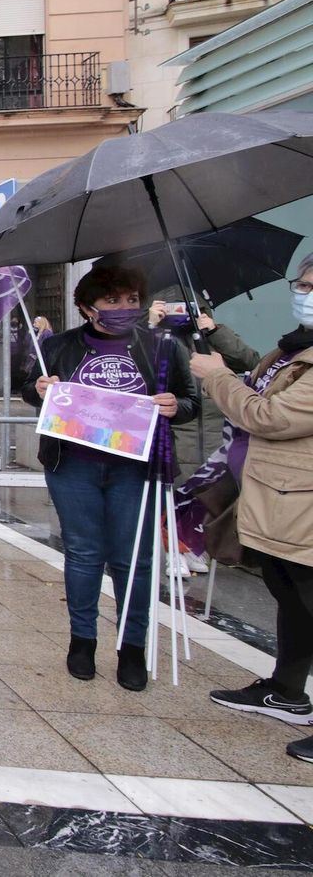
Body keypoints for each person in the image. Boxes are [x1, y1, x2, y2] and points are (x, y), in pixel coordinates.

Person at [21, 263, 198, 692]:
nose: (124, 308)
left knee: (134, 559)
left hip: (137, 469)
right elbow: (32, 391)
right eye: (112, 300)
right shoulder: (59, 346)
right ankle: (82, 642)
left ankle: (131, 647)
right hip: (74, 465)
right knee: (82, 553)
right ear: (87, 307)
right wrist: (38, 390)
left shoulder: (162, 347)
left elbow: (191, 400)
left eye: (131, 300)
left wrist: (177, 405)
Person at [192, 258, 313, 763]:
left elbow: (269, 415)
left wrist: (218, 381)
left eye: (312, 286)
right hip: (275, 497)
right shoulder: (294, 348)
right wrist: (215, 343)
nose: (303, 292)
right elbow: (255, 379)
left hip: (302, 502)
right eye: (301, 284)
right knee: (289, 595)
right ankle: (287, 691)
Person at [146, 288, 260, 482]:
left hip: (220, 441)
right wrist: (150, 328)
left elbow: (251, 363)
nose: (180, 314)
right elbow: (142, 370)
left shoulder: (214, 339)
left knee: (218, 507)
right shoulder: (158, 340)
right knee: (179, 506)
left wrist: (215, 332)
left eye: (188, 309)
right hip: (179, 444)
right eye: (173, 309)